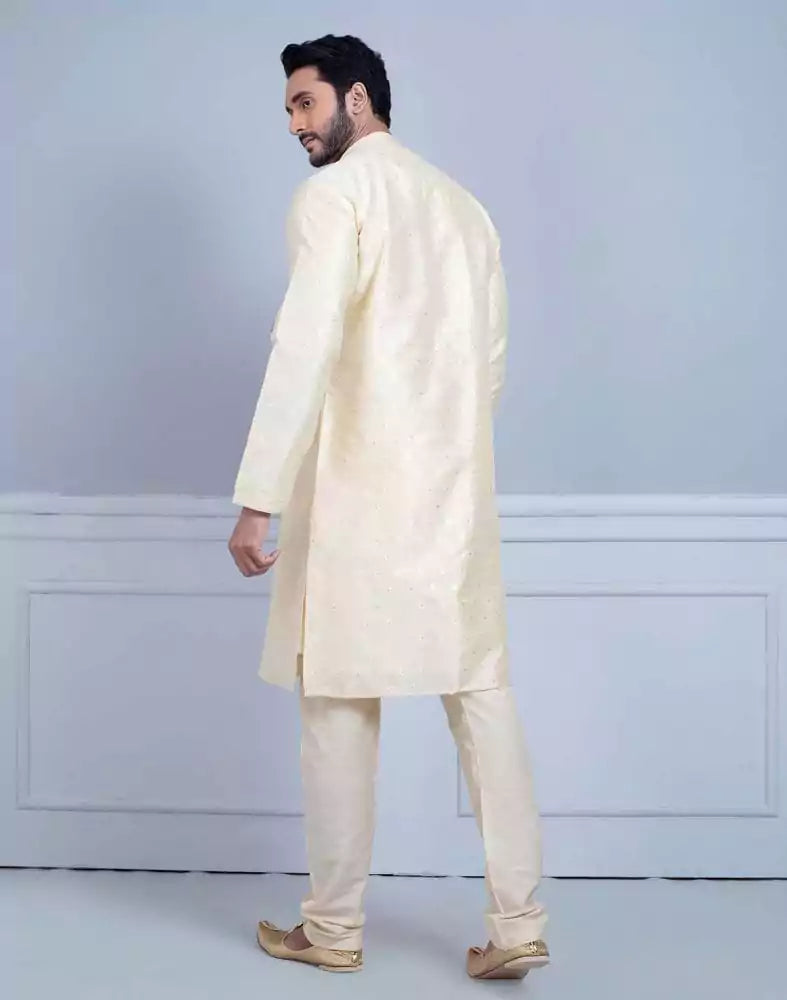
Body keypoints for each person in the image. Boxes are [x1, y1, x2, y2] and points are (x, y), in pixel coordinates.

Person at [227, 33, 550, 981]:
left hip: (354, 496)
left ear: (357, 98)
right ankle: (519, 923)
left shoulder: (335, 196)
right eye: (288, 108)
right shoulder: (464, 208)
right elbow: (490, 364)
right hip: (452, 494)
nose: (294, 124)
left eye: (305, 102)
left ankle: (332, 930)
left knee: (337, 705)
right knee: (481, 696)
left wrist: (258, 499)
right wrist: (444, 451)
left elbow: (304, 348)